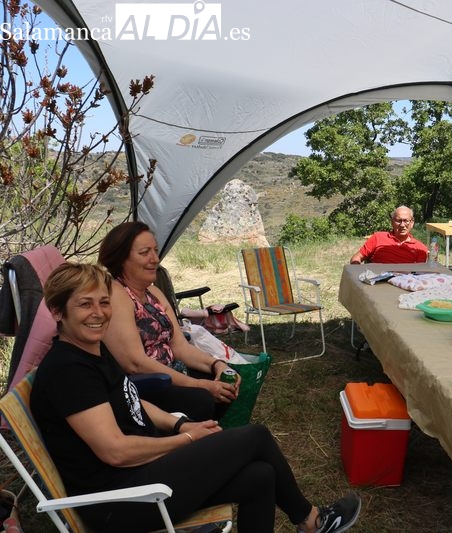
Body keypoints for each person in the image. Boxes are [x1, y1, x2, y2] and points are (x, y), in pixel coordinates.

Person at [30, 262, 361, 533]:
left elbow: (132, 401)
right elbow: (115, 451)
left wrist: (179, 425)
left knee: (261, 477)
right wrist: (186, 440)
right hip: (120, 502)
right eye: (85, 304)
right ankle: (312, 521)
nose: (99, 313)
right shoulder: (68, 371)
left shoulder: (92, 349)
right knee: (255, 438)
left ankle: (310, 521)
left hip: (141, 477)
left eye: (104, 302)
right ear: (58, 312)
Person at [98, 222, 234, 421]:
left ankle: (208, 439)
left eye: (155, 250)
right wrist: (199, 385)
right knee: (203, 398)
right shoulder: (116, 295)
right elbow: (135, 363)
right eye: (145, 252)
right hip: (145, 385)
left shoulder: (152, 292)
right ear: (121, 259)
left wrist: (218, 365)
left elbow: (179, 346)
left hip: (172, 372)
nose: (155, 259)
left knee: (226, 384)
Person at [349, 205, 428, 264]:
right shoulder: (378, 237)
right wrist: (357, 272)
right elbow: (357, 257)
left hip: (403, 283)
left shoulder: (420, 249)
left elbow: (419, 274)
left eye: (406, 221)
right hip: (377, 281)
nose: (402, 225)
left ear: (412, 223)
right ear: (392, 222)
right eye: (398, 220)